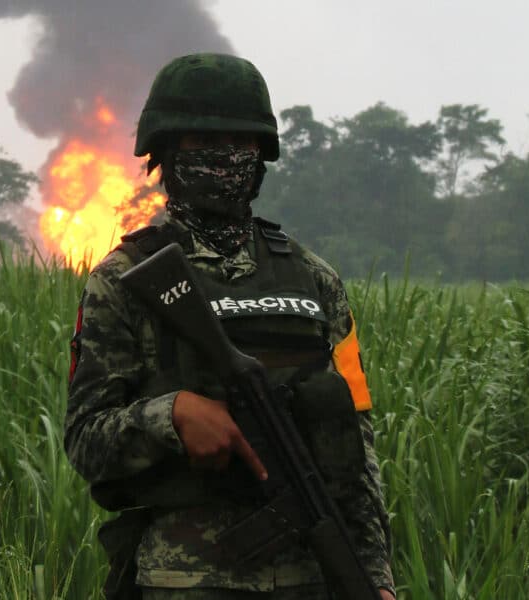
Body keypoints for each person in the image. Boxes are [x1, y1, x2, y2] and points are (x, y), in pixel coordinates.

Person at [64, 53, 396, 600]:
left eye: (240, 144)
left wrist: (375, 581)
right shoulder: (124, 282)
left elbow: (355, 453)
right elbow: (84, 441)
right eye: (199, 144)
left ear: (262, 155)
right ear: (165, 155)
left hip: (312, 578)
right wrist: (169, 416)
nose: (223, 159)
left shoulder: (314, 281)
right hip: (180, 582)